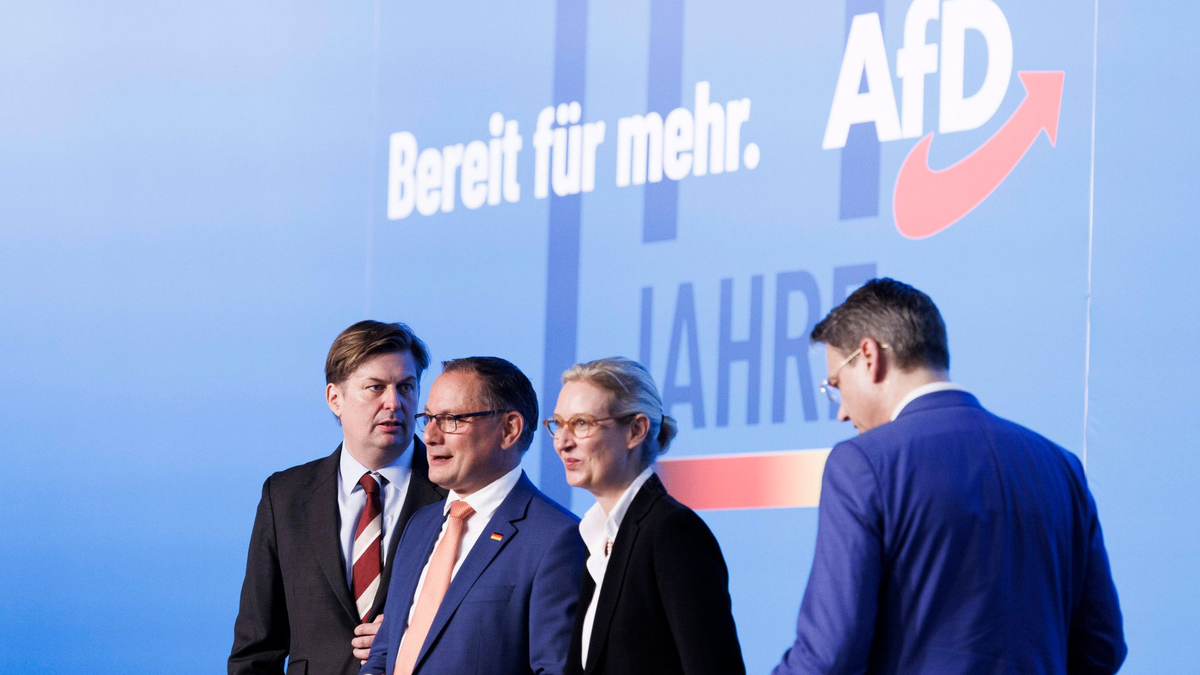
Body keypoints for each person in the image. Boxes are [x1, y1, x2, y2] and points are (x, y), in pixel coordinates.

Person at [772, 278, 1126, 675]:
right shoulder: (1060, 467)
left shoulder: (863, 464)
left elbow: (830, 655)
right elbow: (1102, 647)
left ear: (869, 356)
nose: (840, 412)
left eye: (835, 384)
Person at [229, 321, 446, 675]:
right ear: (335, 398)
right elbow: (256, 650)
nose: (394, 402)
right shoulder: (285, 497)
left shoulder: (457, 495)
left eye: (406, 387)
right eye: (375, 387)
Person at [360, 356, 586, 675]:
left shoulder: (556, 539)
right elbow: (383, 655)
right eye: (430, 418)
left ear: (509, 429)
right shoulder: (419, 525)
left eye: (451, 419)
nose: (431, 436)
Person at [548, 357, 745, 675]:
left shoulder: (672, 532)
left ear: (636, 430)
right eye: (558, 423)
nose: (562, 442)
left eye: (581, 423)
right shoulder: (597, 536)